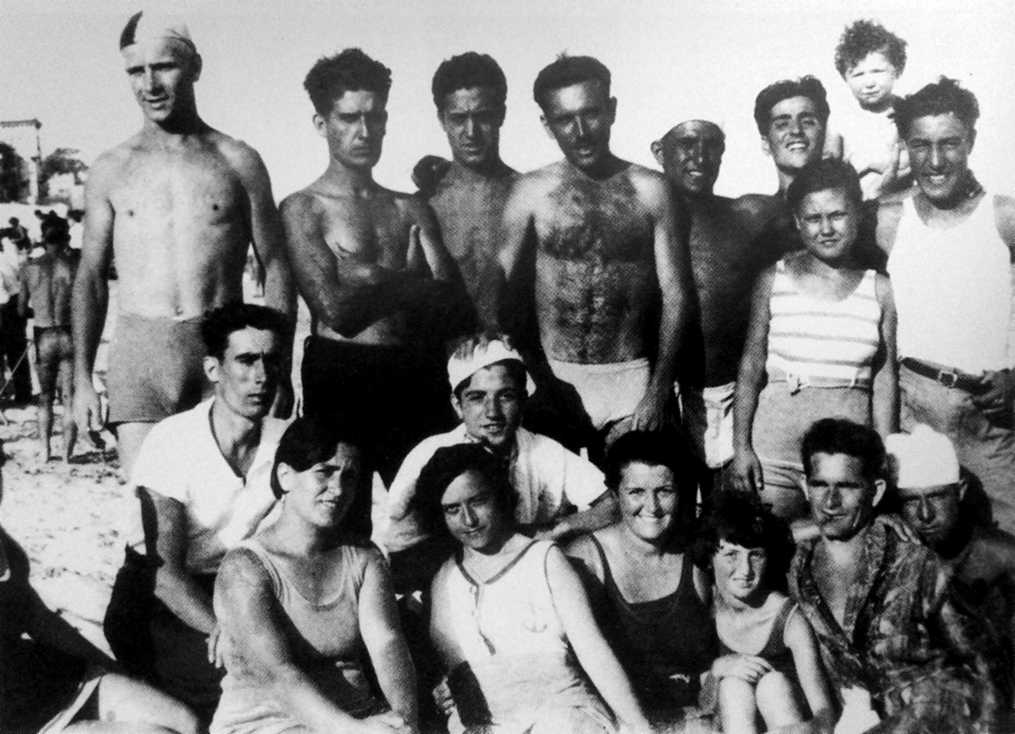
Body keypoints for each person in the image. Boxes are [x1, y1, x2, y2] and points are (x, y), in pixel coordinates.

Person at [73, 11, 295, 478]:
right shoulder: (111, 168)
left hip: (221, 347)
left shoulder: (238, 160)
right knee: (149, 506)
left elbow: (276, 265)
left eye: (164, 67)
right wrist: (82, 380)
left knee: (228, 503)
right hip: (141, 354)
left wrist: (279, 367)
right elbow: (90, 277)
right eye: (136, 71)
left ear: (195, 67)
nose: (149, 84)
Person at [281, 48, 473, 519]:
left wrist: (371, 275)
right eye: (349, 118)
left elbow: (449, 303)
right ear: (321, 123)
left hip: (415, 371)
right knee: (340, 517)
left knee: (432, 513)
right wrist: (411, 282)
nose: (364, 131)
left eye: (375, 116)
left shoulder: (409, 207)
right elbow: (337, 312)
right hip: (340, 372)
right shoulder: (304, 208)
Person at [103, 303, 291, 722]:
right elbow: (164, 574)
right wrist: (230, 631)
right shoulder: (173, 440)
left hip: (239, 590)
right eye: (246, 360)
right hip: (159, 599)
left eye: (272, 360)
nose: (262, 376)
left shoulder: (287, 442)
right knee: (235, 684)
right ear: (212, 369)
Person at [499, 54, 692, 457]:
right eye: (565, 120)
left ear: (612, 110)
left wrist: (659, 390)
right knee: (550, 492)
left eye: (591, 114)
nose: (581, 132)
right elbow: (498, 273)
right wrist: (519, 362)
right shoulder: (531, 191)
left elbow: (676, 293)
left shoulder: (651, 190)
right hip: (553, 378)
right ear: (547, 125)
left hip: (629, 379)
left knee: (637, 491)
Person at [790, 418, 1004, 731]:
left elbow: (980, 671)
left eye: (847, 487)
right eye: (820, 485)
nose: (831, 502)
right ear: (804, 486)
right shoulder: (798, 566)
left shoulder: (916, 563)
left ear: (876, 491)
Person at [421, 444, 652, 733]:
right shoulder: (443, 580)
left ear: (499, 496)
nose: (468, 520)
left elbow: (594, 651)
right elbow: (452, 672)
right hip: (484, 724)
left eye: (478, 501)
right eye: (452, 509)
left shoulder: (544, 559)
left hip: (562, 715)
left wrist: (638, 725)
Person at [211, 418, 418, 734]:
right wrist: (354, 731)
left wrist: (405, 721)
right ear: (285, 476)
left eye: (349, 477)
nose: (338, 489)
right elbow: (279, 676)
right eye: (324, 472)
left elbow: (387, 645)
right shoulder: (244, 568)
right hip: (268, 724)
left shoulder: (364, 558)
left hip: (358, 717)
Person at [877, 76, 1015, 533]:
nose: (935, 161)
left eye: (950, 143)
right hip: (916, 413)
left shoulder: (1003, 217)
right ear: (905, 146)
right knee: (918, 548)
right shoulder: (889, 221)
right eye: (921, 145)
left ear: (971, 141)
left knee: (1005, 548)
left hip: (989, 419)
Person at [382, 331, 614, 592]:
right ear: (457, 405)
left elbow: (611, 505)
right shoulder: (429, 453)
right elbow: (394, 541)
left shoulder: (544, 451)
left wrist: (553, 530)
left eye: (506, 396)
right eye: (477, 397)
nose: (492, 412)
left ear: (523, 400)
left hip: (525, 575)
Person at [734, 158, 898, 521]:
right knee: (770, 540)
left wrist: (885, 450)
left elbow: (884, 377)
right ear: (797, 221)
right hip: (775, 452)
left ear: (858, 214)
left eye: (837, 215)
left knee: (843, 541)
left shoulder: (879, 288)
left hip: (847, 459)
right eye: (813, 218)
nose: (826, 229)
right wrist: (741, 446)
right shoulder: (773, 279)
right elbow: (750, 366)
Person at [0, 445, 200, 734]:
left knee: (187, 723)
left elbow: (37, 617)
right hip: (17, 720)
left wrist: (108, 666)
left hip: (51, 679)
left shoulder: (6, 546)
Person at [651, 119, 770, 498]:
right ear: (659, 152)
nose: (700, 156)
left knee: (735, 510)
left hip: (737, 392)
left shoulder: (748, 215)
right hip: (667, 395)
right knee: (675, 508)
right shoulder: (641, 221)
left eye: (712, 144)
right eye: (687, 143)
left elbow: (817, 207)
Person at [566, 431, 716, 730]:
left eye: (664, 491)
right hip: (621, 720)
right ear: (615, 495)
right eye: (636, 492)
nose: (652, 506)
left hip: (694, 715)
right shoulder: (586, 559)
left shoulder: (697, 554)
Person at [886, 424, 1015, 712]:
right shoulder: (894, 553)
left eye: (936, 496)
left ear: (961, 491)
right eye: (911, 501)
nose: (925, 514)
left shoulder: (1003, 558)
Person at [694, 492, 834, 734]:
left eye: (756, 555)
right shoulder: (709, 608)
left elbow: (826, 716)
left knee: (773, 685)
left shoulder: (787, 619)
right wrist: (717, 670)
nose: (745, 570)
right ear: (710, 558)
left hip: (784, 722)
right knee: (732, 686)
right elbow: (705, 704)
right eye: (731, 555)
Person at [420, 52, 517, 328]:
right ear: (442, 120)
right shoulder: (424, 204)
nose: (471, 132)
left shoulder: (527, 197)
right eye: (459, 118)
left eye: (483, 117)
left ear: (501, 115)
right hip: (443, 350)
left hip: (516, 349)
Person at [828, 19, 911, 201]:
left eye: (877, 71)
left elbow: (914, 158)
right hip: (856, 203)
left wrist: (875, 165)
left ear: (897, 70)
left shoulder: (907, 110)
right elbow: (828, 169)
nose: (869, 83)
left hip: (900, 199)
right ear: (845, 78)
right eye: (858, 74)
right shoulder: (840, 120)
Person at [19, 226, 78, 461]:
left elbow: (21, 309)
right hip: (68, 333)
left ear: (43, 240)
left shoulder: (30, 268)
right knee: (69, 398)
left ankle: (45, 450)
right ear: (66, 239)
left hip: (43, 333)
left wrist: (39, 310)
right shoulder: (73, 266)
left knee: (45, 397)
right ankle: (67, 454)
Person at [0, 221, 32, 406]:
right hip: (12, 307)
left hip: (5, 309)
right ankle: (23, 392)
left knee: (14, 351)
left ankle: (18, 392)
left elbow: (3, 296)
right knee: (17, 353)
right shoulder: (6, 259)